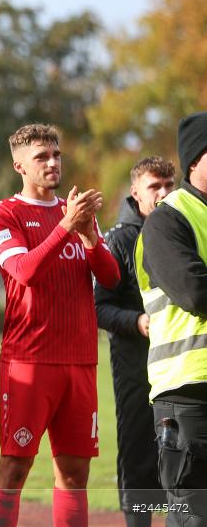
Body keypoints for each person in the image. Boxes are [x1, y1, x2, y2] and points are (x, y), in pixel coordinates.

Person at [0, 124, 120, 527]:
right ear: (19, 166)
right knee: (13, 471)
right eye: (42, 157)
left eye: (56, 154)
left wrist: (89, 235)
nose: (53, 162)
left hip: (80, 361)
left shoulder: (76, 212)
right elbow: (24, 272)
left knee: (76, 476)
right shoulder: (3, 211)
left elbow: (111, 278)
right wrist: (66, 227)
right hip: (29, 361)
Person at [95, 156, 175, 527]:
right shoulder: (119, 239)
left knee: (181, 455)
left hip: (179, 363)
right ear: (135, 192)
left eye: (167, 185)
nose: (162, 193)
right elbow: (100, 308)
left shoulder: (182, 231)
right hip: (134, 366)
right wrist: (138, 321)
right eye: (153, 186)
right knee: (138, 452)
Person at [136, 112, 207, 527]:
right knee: (193, 516)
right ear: (196, 159)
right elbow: (195, 291)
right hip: (187, 390)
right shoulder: (167, 219)